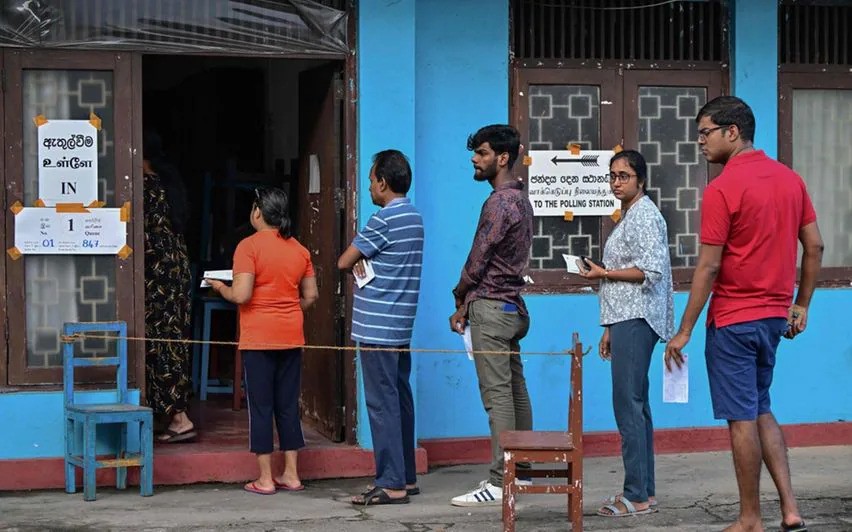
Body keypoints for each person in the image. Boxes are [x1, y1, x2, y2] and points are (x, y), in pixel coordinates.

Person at [664, 96, 822, 532]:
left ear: (732, 132)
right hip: (774, 317)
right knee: (762, 408)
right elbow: (815, 245)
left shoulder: (722, 188)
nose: (699, 142)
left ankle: (751, 517)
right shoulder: (791, 180)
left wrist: (684, 329)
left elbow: (709, 266)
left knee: (741, 418)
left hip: (733, 319)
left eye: (704, 132)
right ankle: (790, 509)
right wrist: (801, 303)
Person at [577, 150, 674, 517]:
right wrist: (608, 328)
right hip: (625, 320)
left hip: (638, 318)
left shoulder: (646, 215)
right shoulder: (630, 215)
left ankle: (634, 494)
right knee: (638, 406)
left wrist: (603, 274)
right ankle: (644, 492)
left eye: (624, 176)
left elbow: (649, 271)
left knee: (627, 405)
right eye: (612, 176)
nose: (617, 182)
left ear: (641, 180)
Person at [207, 187, 319, 495]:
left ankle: (266, 478)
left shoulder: (248, 247)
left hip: (258, 338)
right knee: (287, 405)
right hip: (291, 336)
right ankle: (292, 475)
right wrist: (288, 309)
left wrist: (220, 288)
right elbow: (311, 295)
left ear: (257, 211)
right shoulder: (299, 249)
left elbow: (241, 294)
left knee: (261, 407)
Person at [448, 124, 534, 507]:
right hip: (512, 306)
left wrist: (460, 295)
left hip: (492, 310)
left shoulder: (499, 203)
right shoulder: (521, 199)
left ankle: (501, 481)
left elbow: (478, 258)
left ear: (502, 158)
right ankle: (524, 471)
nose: (474, 159)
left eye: (481, 153)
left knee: (497, 395)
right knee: (515, 391)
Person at [338, 150, 424, 506]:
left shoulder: (382, 219)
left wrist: (361, 261)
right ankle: (405, 475)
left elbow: (345, 260)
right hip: (401, 324)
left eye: (372, 180)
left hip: (376, 327)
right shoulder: (415, 217)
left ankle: (391, 482)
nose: (370, 186)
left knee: (381, 403)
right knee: (399, 398)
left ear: (383, 183)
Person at [143, 130, 196, 443]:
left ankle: (178, 417)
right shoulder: (169, 182)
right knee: (172, 339)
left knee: (160, 341)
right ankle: (175, 413)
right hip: (175, 268)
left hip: (157, 272)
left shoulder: (147, 186)